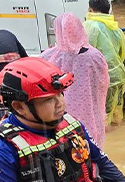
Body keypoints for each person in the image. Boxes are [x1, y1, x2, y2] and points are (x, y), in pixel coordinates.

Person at [41, 14, 109, 142]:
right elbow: (103, 82)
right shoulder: (95, 56)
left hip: (61, 117)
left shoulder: (49, 56)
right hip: (92, 113)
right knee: (93, 149)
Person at [83, 0, 125, 127]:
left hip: (99, 78)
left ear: (90, 9)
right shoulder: (116, 29)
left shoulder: (88, 26)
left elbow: (83, 55)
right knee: (115, 114)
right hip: (118, 76)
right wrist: (124, 75)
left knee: (101, 118)